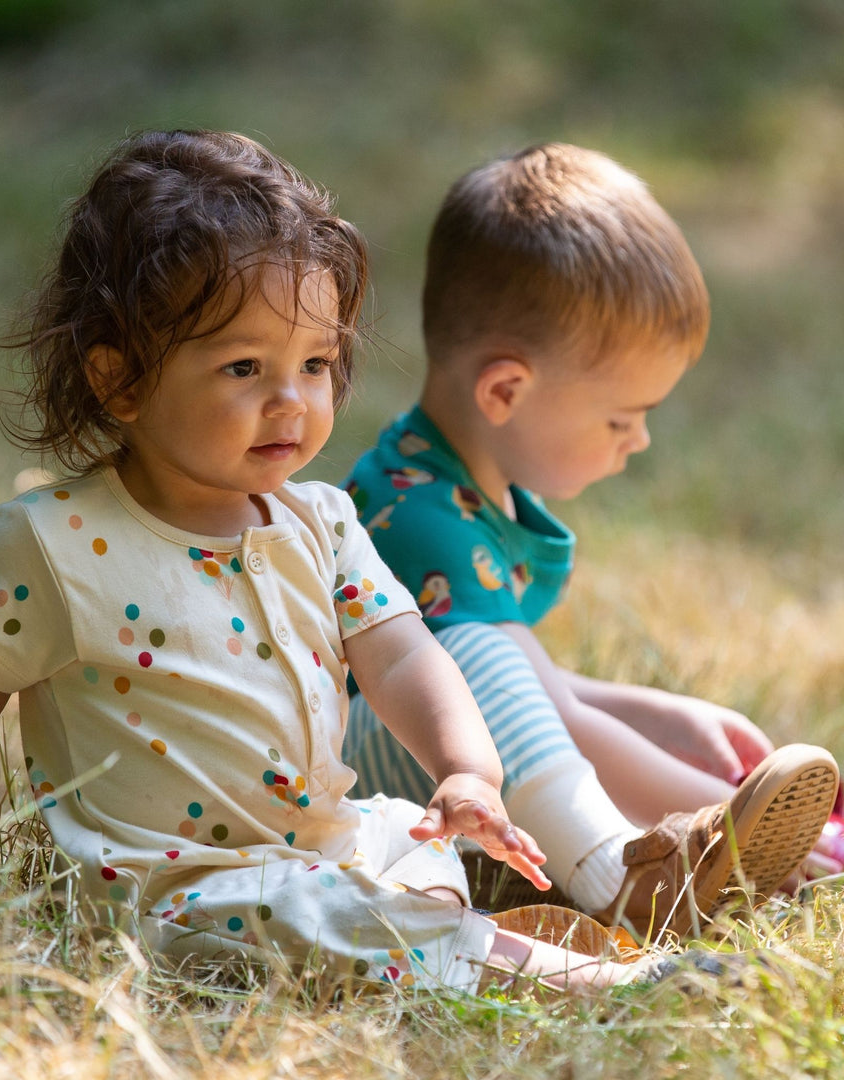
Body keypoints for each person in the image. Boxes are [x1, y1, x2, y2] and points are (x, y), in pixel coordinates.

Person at [0, 130, 654, 993]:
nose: (292, 400)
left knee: (400, 843)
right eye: (242, 368)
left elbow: (405, 652)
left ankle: (441, 942)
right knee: (318, 912)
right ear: (121, 380)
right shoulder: (58, 542)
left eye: (315, 362)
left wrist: (469, 771)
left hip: (320, 842)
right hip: (176, 891)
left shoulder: (323, 520)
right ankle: (576, 975)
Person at [342, 142, 840, 941]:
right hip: (345, 773)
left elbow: (539, 688)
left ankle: (705, 844)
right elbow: (531, 701)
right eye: (620, 417)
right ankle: (632, 875)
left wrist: (666, 714)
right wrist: (719, 818)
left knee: (490, 658)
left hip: (422, 762)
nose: (638, 441)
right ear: (506, 391)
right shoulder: (418, 520)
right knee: (472, 649)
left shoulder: (442, 481)